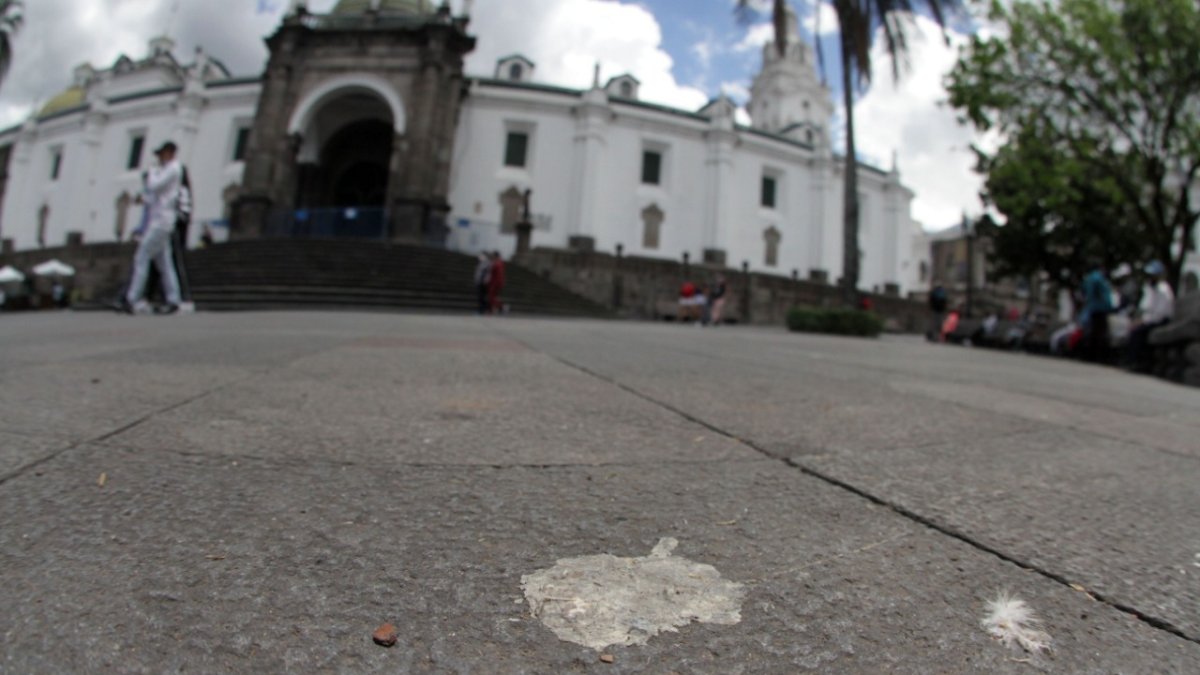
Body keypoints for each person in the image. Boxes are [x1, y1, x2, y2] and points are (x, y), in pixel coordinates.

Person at [121, 141, 183, 315]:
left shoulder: (173, 168)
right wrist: (144, 200)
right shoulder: (165, 171)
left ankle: (132, 298)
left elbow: (154, 186)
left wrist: (151, 173)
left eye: (161, 154)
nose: (159, 158)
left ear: (169, 152)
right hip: (159, 220)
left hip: (162, 222)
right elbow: (156, 197)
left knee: (142, 255)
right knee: (164, 263)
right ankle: (173, 299)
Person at [1125, 260, 1175, 372]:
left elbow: (1159, 314)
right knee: (1133, 329)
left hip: (1161, 320)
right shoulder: (1149, 288)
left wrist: (1143, 321)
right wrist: (1139, 319)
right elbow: (1145, 307)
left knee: (1137, 333)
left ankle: (1137, 362)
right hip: (1150, 319)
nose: (1150, 277)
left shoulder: (1163, 290)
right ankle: (1133, 360)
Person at [1079, 262, 1115, 363]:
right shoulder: (1098, 278)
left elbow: (1085, 293)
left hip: (1094, 308)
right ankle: (1097, 356)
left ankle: (1091, 355)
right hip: (1100, 308)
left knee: (1094, 332)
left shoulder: (1090, 279)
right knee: (1099, 333)